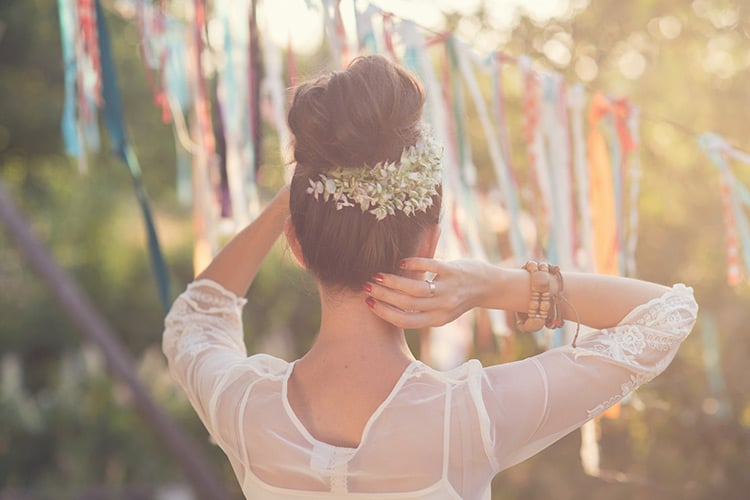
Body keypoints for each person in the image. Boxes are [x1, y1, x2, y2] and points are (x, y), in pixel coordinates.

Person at [162, 55, 698, 499]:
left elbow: (196, 314)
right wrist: (492, 284)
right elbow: (667, 313)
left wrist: (308, 191)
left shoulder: (244, 407)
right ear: (430, 244)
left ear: (297, 243)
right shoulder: (467, 419)